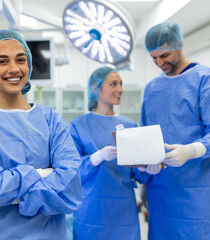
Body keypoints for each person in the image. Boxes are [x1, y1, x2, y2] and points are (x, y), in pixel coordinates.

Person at [0, 29, 82, 240]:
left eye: (21, 60)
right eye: (2, 61)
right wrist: (41, 174)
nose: (14, 68)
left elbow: (71, 182)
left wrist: (10, 191)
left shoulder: (50, 119)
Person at [141, 22, 210, 239]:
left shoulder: (206, 80)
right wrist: (145, 177)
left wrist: (191, 150)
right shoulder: (152, 89)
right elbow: (145, 136)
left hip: (200, 190)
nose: (159, 63)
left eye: (164, 55)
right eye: (154, 58)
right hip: (161, 189)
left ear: (179, 45)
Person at [69, 66, 162, 240]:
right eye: (113, 84)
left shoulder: (129, 126)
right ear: (96, 89)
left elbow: (135, 172)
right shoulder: (78, 125)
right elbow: (70, 171)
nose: (120, 89)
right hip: (92, 211)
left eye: (121, 84)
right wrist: (97, 157)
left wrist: (146, 169)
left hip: (123, 211)